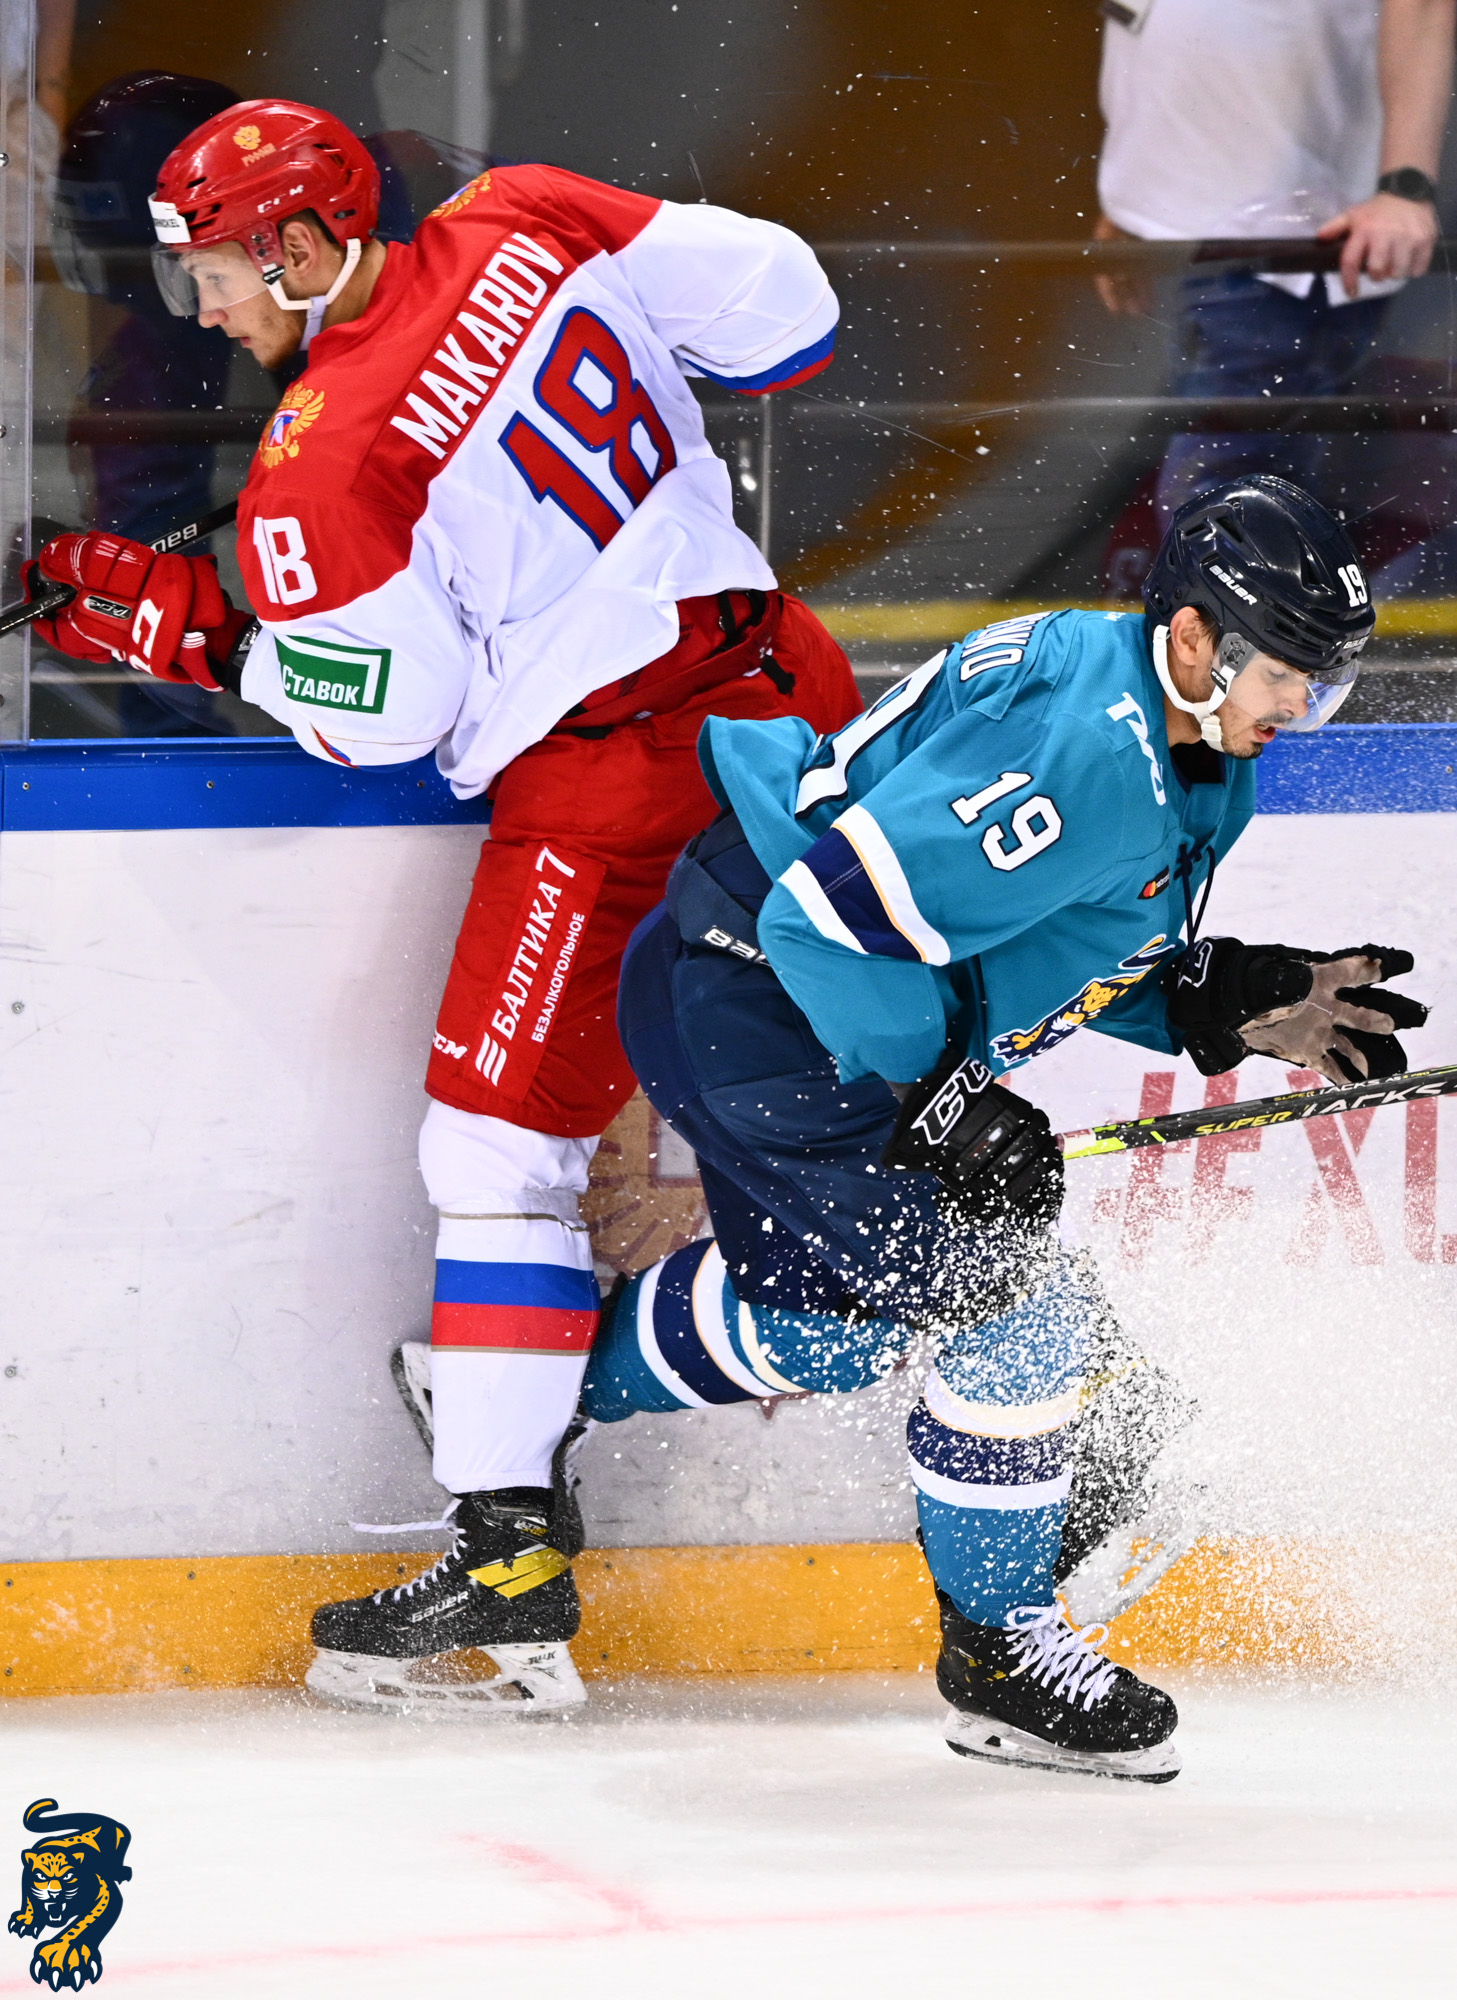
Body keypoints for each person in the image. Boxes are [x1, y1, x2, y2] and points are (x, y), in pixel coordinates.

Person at [22, 98, 862, 1713]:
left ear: (302, 244)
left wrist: (185, 631)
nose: (205, 310)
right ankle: (1062, 1387)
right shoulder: (526, 210)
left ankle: (508, 1569)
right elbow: (789, 322)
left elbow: (383, 723)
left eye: (217, 272)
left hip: (626, 778)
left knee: (494, 1156)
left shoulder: (322, 453)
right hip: (791, 696)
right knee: (870, 1094)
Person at [592, 475, 1429, 1782]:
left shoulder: (1189, 746)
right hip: (757, 998)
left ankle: (525, 1389)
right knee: (1014, 1309)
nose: (1298, 709)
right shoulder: (1085, 747)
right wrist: (942, 1095)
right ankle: (997, 1653)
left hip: (793, 995)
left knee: (830, 1328)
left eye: (1323, 685)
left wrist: (1210, 999)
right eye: (1286, 675)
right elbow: (822, 924)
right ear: (1195, 638)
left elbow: (1047, 932)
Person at [1094, 0, 1455, 533]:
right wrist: (1131, 192)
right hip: (1187, 223)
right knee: (1215, 505)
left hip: (1286, 238)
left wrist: (1405, 187)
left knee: (1221, 511)